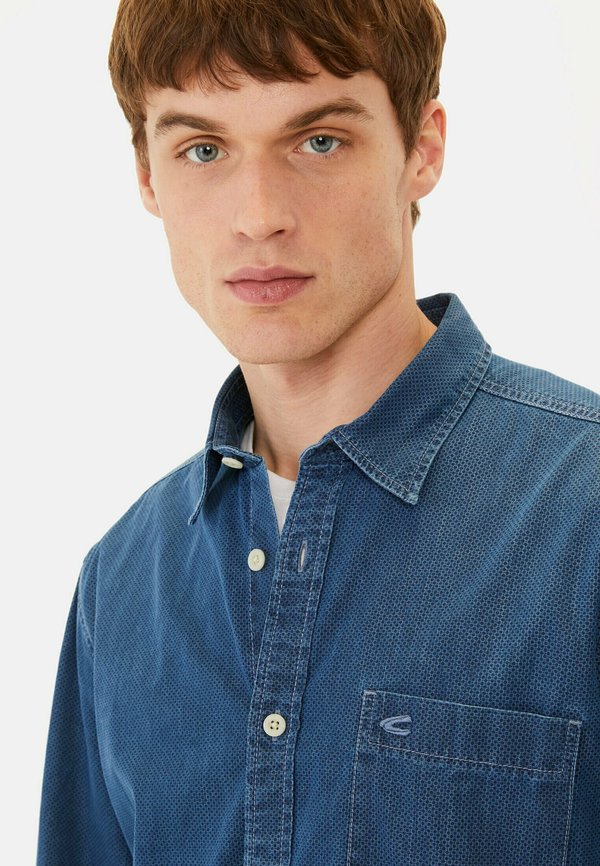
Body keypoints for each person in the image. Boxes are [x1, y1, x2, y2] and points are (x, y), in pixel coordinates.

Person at [37, 0, 599, 863]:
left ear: (422, 149)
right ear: (147, 176)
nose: (258, 215)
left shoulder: (583, 513)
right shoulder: (120, 585)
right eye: (203, 150)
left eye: (320, 141)